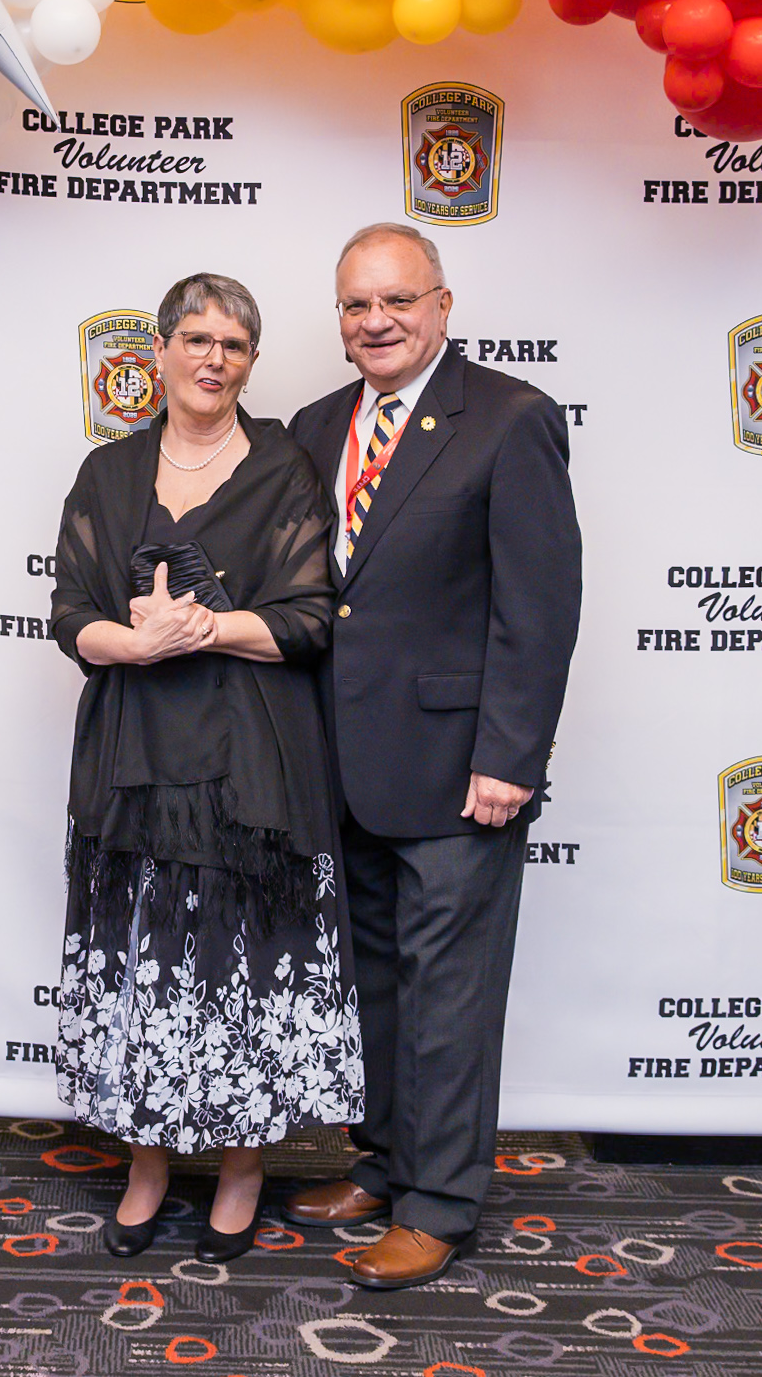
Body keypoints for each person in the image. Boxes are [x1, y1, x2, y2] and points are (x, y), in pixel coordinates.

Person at [283, 222, 582, 1290]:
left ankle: (440, 1205)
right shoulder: (315, 426)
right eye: (356, 305)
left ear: (442, 306)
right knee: (373, 982)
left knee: (450, 993)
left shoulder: (510, 418)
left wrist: (510, 758)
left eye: (397, 300)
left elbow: (539, 607)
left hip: (463, 771)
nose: (376, 322)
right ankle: (384, 1162)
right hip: (344, 763)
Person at [49, 272, 363, 1264]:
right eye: (195, 338)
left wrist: (205, 629)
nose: (212, 359)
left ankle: (240, 1169)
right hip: (135, 755)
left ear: (251, 362)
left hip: (251, 757)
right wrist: (135, 644)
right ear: (159, 352)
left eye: (232, 344)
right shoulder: (107, 473)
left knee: (245, 965)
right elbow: (70, 615)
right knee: (140, 962)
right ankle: (145, 1166)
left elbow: (309, 620)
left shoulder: (283, 469)